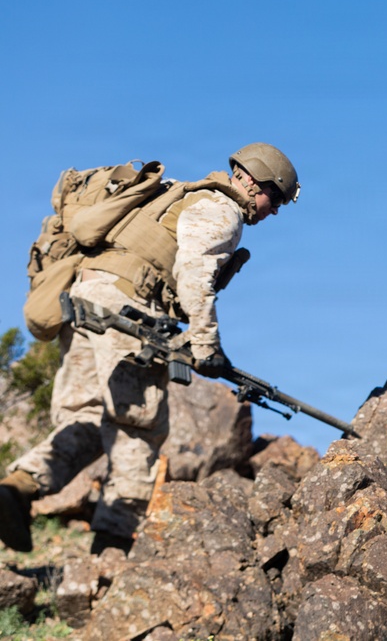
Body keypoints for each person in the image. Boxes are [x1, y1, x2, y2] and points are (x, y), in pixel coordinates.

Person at [0, 143, 300, 553]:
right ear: (252, 181)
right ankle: (111, 550)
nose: (275, 210)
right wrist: (207, 345)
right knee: (138, 427)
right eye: (276, 197)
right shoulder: (221, 209)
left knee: (87, 416)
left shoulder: (176, 192)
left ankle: (17, 489)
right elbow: (194, 273)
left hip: (86, 301)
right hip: (128, 312)